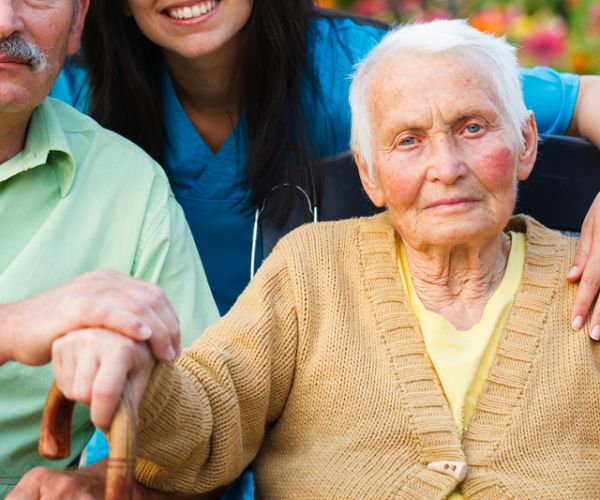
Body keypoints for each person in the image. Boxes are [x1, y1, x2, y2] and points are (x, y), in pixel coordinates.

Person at [16, 19, 600, 499]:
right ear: (366, 173)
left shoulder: (585, 273)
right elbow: (208, 419)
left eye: (472, 128)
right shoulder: (308, 271)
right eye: (408, 141)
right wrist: (145, 375)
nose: (445, 167)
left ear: (525, 142)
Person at [49, 2, 600, 337]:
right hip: (157, 402)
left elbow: (585, 98)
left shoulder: (357, 67)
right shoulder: (68, 94)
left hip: (321, 384)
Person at [0, 0, 218, 495]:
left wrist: (97, 483)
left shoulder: (131, 188)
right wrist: (15, 326)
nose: (5, 20)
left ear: (77, 22)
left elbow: (207, 431)